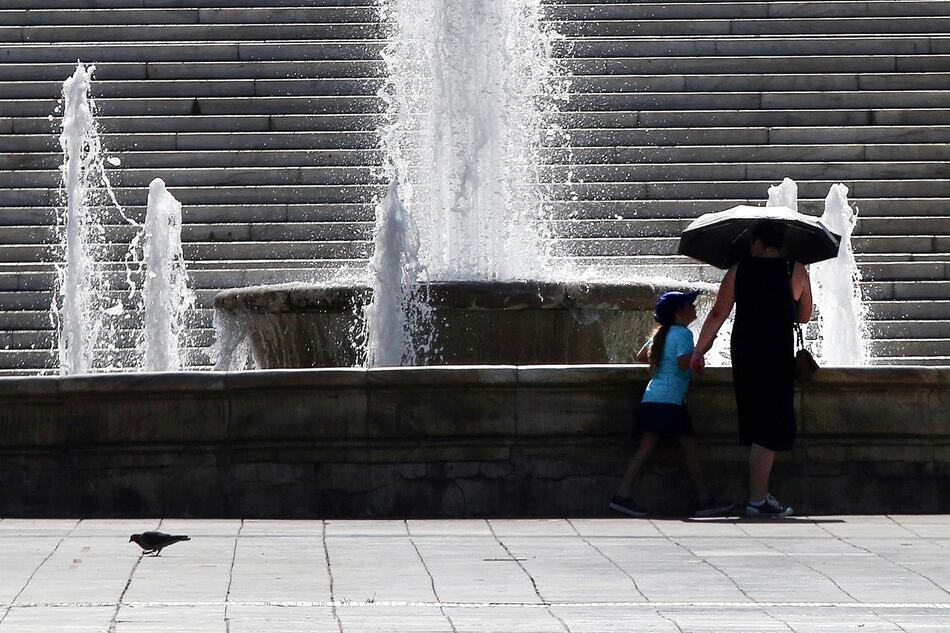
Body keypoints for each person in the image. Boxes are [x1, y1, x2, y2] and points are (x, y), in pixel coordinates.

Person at [689, 220, 813, 517]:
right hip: (776, 351)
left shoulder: (738, 270)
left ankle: (759, 495)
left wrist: (698, 351)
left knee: (757, 418)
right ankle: (757, 498)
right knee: (771, 423)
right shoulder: (794, 269)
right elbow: (805, 316)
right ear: (780, 243)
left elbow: (719, 313)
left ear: (758, 241)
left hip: (745, 350)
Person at [610, 290, 734, 518]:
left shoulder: (661, 334)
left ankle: (622, 495)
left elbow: (640, 356)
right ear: (679, 312)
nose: (694, 308)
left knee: (650, 448)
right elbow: (684, 362)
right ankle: (703, 500)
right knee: (688, 451)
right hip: (671, 402)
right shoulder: (682, 334)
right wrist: (703, 349)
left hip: (653, 397)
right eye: (690, 305)